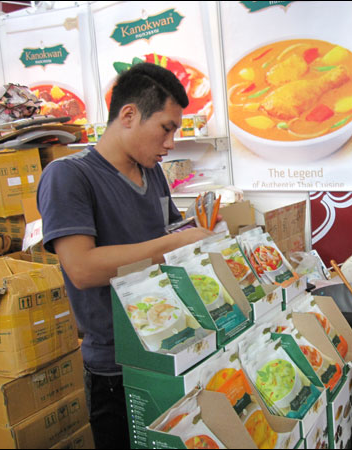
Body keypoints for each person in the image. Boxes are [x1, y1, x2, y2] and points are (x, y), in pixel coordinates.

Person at [37, 63, 215, 449]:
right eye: (166, 128)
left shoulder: (152, 172)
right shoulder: (69, 176)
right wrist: (170, 246)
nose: (171, 143)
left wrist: (196, 234)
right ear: (129, 115)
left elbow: (168, 231)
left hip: (172, 344)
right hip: (118, 365)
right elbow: (82, 268)